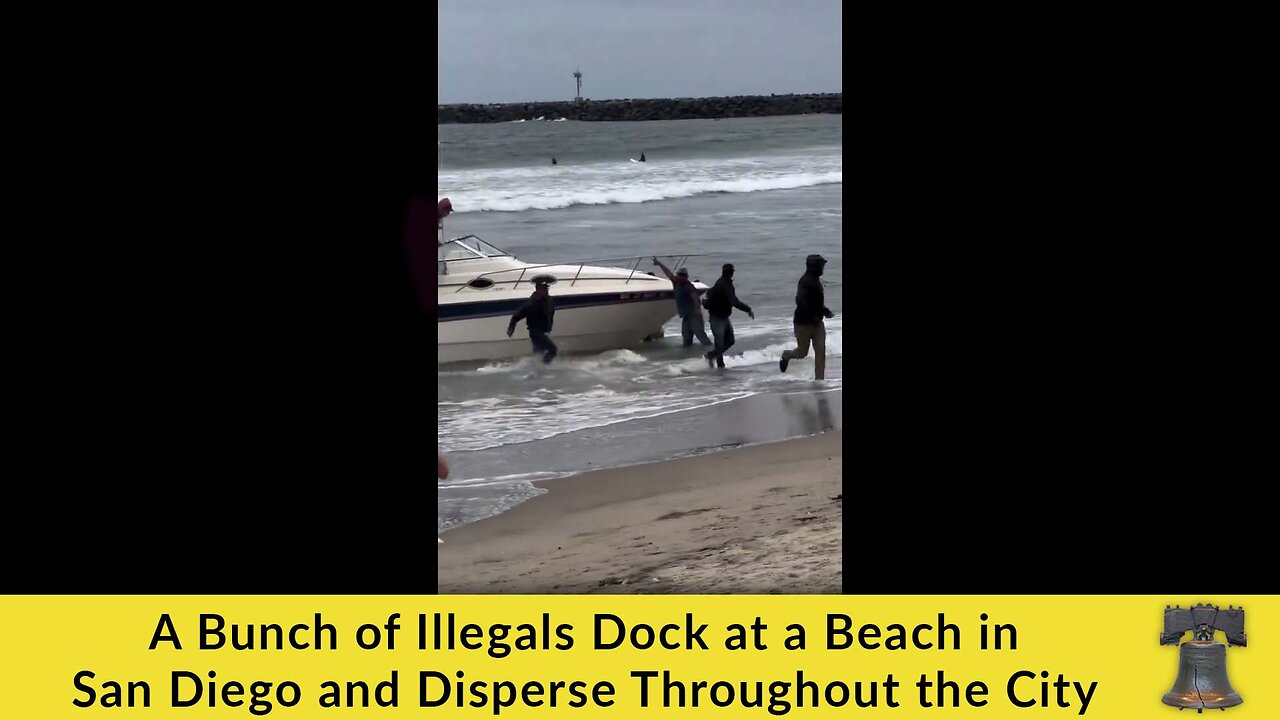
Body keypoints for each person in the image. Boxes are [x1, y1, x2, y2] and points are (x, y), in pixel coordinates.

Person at [780, 254, 835, 379]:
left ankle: (820, 380)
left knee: (820, 351)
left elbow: (817, 303)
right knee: (802, 352)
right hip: (803, 323)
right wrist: (817, 312)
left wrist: (824, 311)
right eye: (821, 266)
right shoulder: (805, 282)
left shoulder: (816, 280)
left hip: (817, 323)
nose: (823, 268)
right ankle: (787, 355)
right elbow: (800, 302)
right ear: (814, 267)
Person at [702, 263, 753, 368]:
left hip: (722, 317)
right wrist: (747, 309)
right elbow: (733, 301)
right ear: (731, 273)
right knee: (722, 343)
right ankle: (715, 361)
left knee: (728, 341)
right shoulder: (725, 285)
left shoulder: (721, 282)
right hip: (717, 318)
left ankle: (714, 359)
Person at [653, 257, 711, 347]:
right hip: (686, 316)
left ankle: (712, 352)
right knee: (686, 338)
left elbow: (695, 298)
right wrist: (659, 263)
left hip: (694, 315)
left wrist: (698, 311)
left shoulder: (688, 286)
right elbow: (669, 274)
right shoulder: (677, 283)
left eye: (681, 275)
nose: (678, 276)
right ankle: (689, 357)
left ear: (686, 277)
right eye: (679, 274)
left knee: (700, 335)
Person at [507, 279, 558, 363]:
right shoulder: (531, 303)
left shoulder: (549, 300)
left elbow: (550, 313)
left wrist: (549, 328)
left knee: (538, 353)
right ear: (538, 290)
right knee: (552, 349)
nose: (546, 291)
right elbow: (516, 315)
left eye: (546, 289)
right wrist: (511, 328)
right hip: (535, 333)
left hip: (543, 331)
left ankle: (536, 369)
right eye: (543, 289)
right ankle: (544, 366)